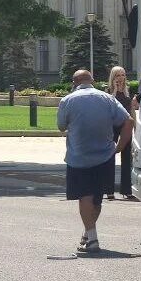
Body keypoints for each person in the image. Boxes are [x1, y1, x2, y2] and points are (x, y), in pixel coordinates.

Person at [57, 69, 133, 254]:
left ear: (74, 83)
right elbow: (129, 121)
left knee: (85, 196)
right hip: (105, 156)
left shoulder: (67, 100)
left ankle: (92, 239)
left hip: (79, 157)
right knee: (97, 199)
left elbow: (61, 126)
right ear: (92, 81)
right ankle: (88, 235)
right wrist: (119, 147)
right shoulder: (107, 99)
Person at [106, 66, 138, 201]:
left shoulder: (128, 91)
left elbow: (131, 110)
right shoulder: (108, 91)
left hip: (125, 126)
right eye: (118, 75)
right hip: (112, 126)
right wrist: (114, 89)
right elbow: (109, 106)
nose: (121, 78)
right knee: (110, 157)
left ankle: (127, 189)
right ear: (113, 77)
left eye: (123, 75)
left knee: (127, 158)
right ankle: (109, 190)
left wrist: (135, 127)